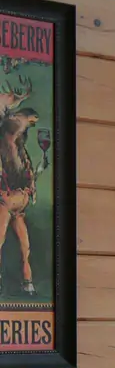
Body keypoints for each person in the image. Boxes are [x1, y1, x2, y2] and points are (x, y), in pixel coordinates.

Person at [0, 106, 40, 297]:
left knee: (25, 246)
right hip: (4, 202)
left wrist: (30, 186)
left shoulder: (21, 151)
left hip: (18, 205)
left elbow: (28, 174)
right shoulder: (3, 148)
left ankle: (27, 283)